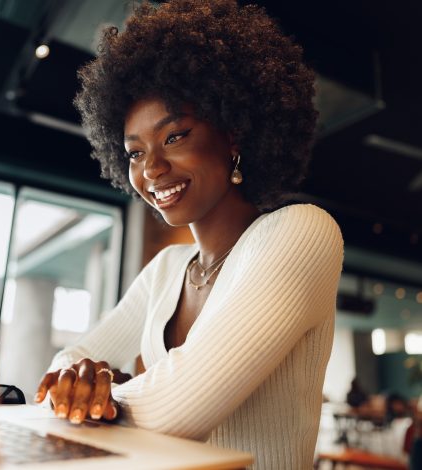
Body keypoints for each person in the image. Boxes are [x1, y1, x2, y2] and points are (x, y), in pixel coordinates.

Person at [33, 1, 344, 468]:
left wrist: (98, 395)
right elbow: (66, 362)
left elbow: (180, 406)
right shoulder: (167, 270)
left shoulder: (302, 232)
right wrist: (78, 378)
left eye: (174, 136)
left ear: (234, 133)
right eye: (134, 153)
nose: (152, 169)